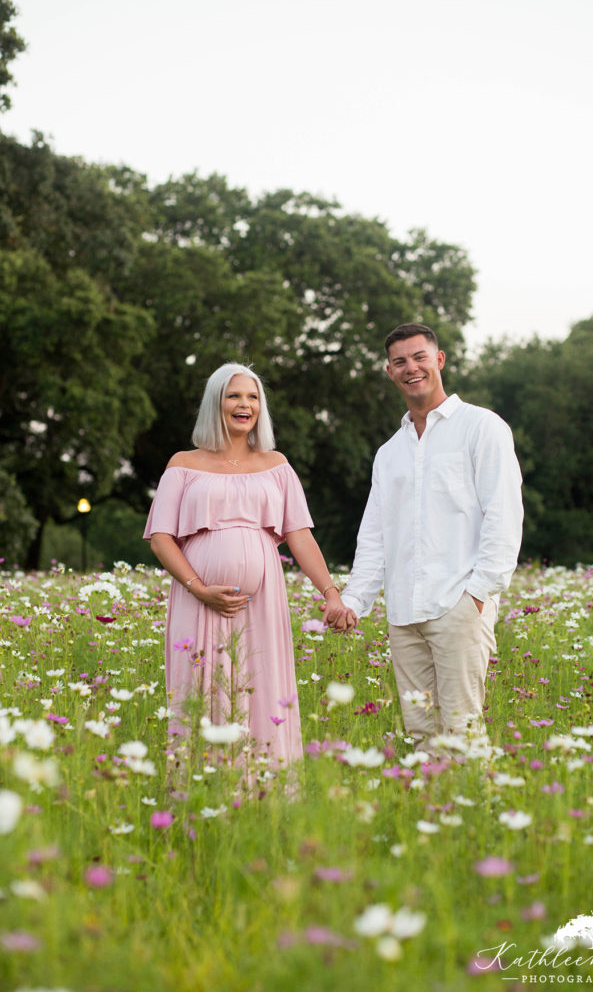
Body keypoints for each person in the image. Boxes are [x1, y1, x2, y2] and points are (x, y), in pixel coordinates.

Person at [323, 323, 523, 747]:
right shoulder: (389, 452)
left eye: (419, 357)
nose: (411, 368)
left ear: (439, 359)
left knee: (461, 729)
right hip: (403, 614)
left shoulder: (481, 428)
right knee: (421, 734)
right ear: (390, 371)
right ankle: (433, 812)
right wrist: (355, 600)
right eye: (400, 362)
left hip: (458, 605)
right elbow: (375, 536)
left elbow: (504, 515)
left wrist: (479, 595)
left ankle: (475, 812)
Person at [143, 362, 352, 766]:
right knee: (201, 691)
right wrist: (199, 587)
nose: (245, 404)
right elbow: (161, 537)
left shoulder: (276, 464)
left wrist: (331, 593)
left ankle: (265, 789)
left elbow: (300, 534)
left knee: (262, 686)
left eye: (253, 397)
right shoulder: (183, 464)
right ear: (214, 404)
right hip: (198, 599)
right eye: (234, 395)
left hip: (263, 604)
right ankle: (200, 791)